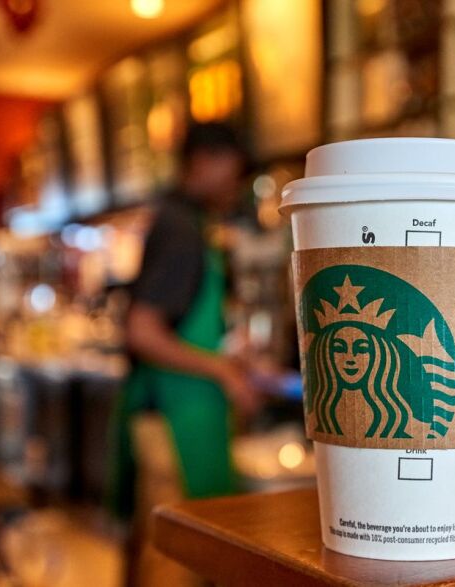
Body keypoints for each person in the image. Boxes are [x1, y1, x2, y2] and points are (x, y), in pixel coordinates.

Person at [110, 122, 262, 586]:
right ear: (205, 161)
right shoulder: (179, 228)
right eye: (234, 173)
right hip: (172, 425)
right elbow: (142, 330)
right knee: (171, 563)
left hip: (185, 416)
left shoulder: (185, 224)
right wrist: (223, 371)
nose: (235, 186)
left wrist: (236, 363)